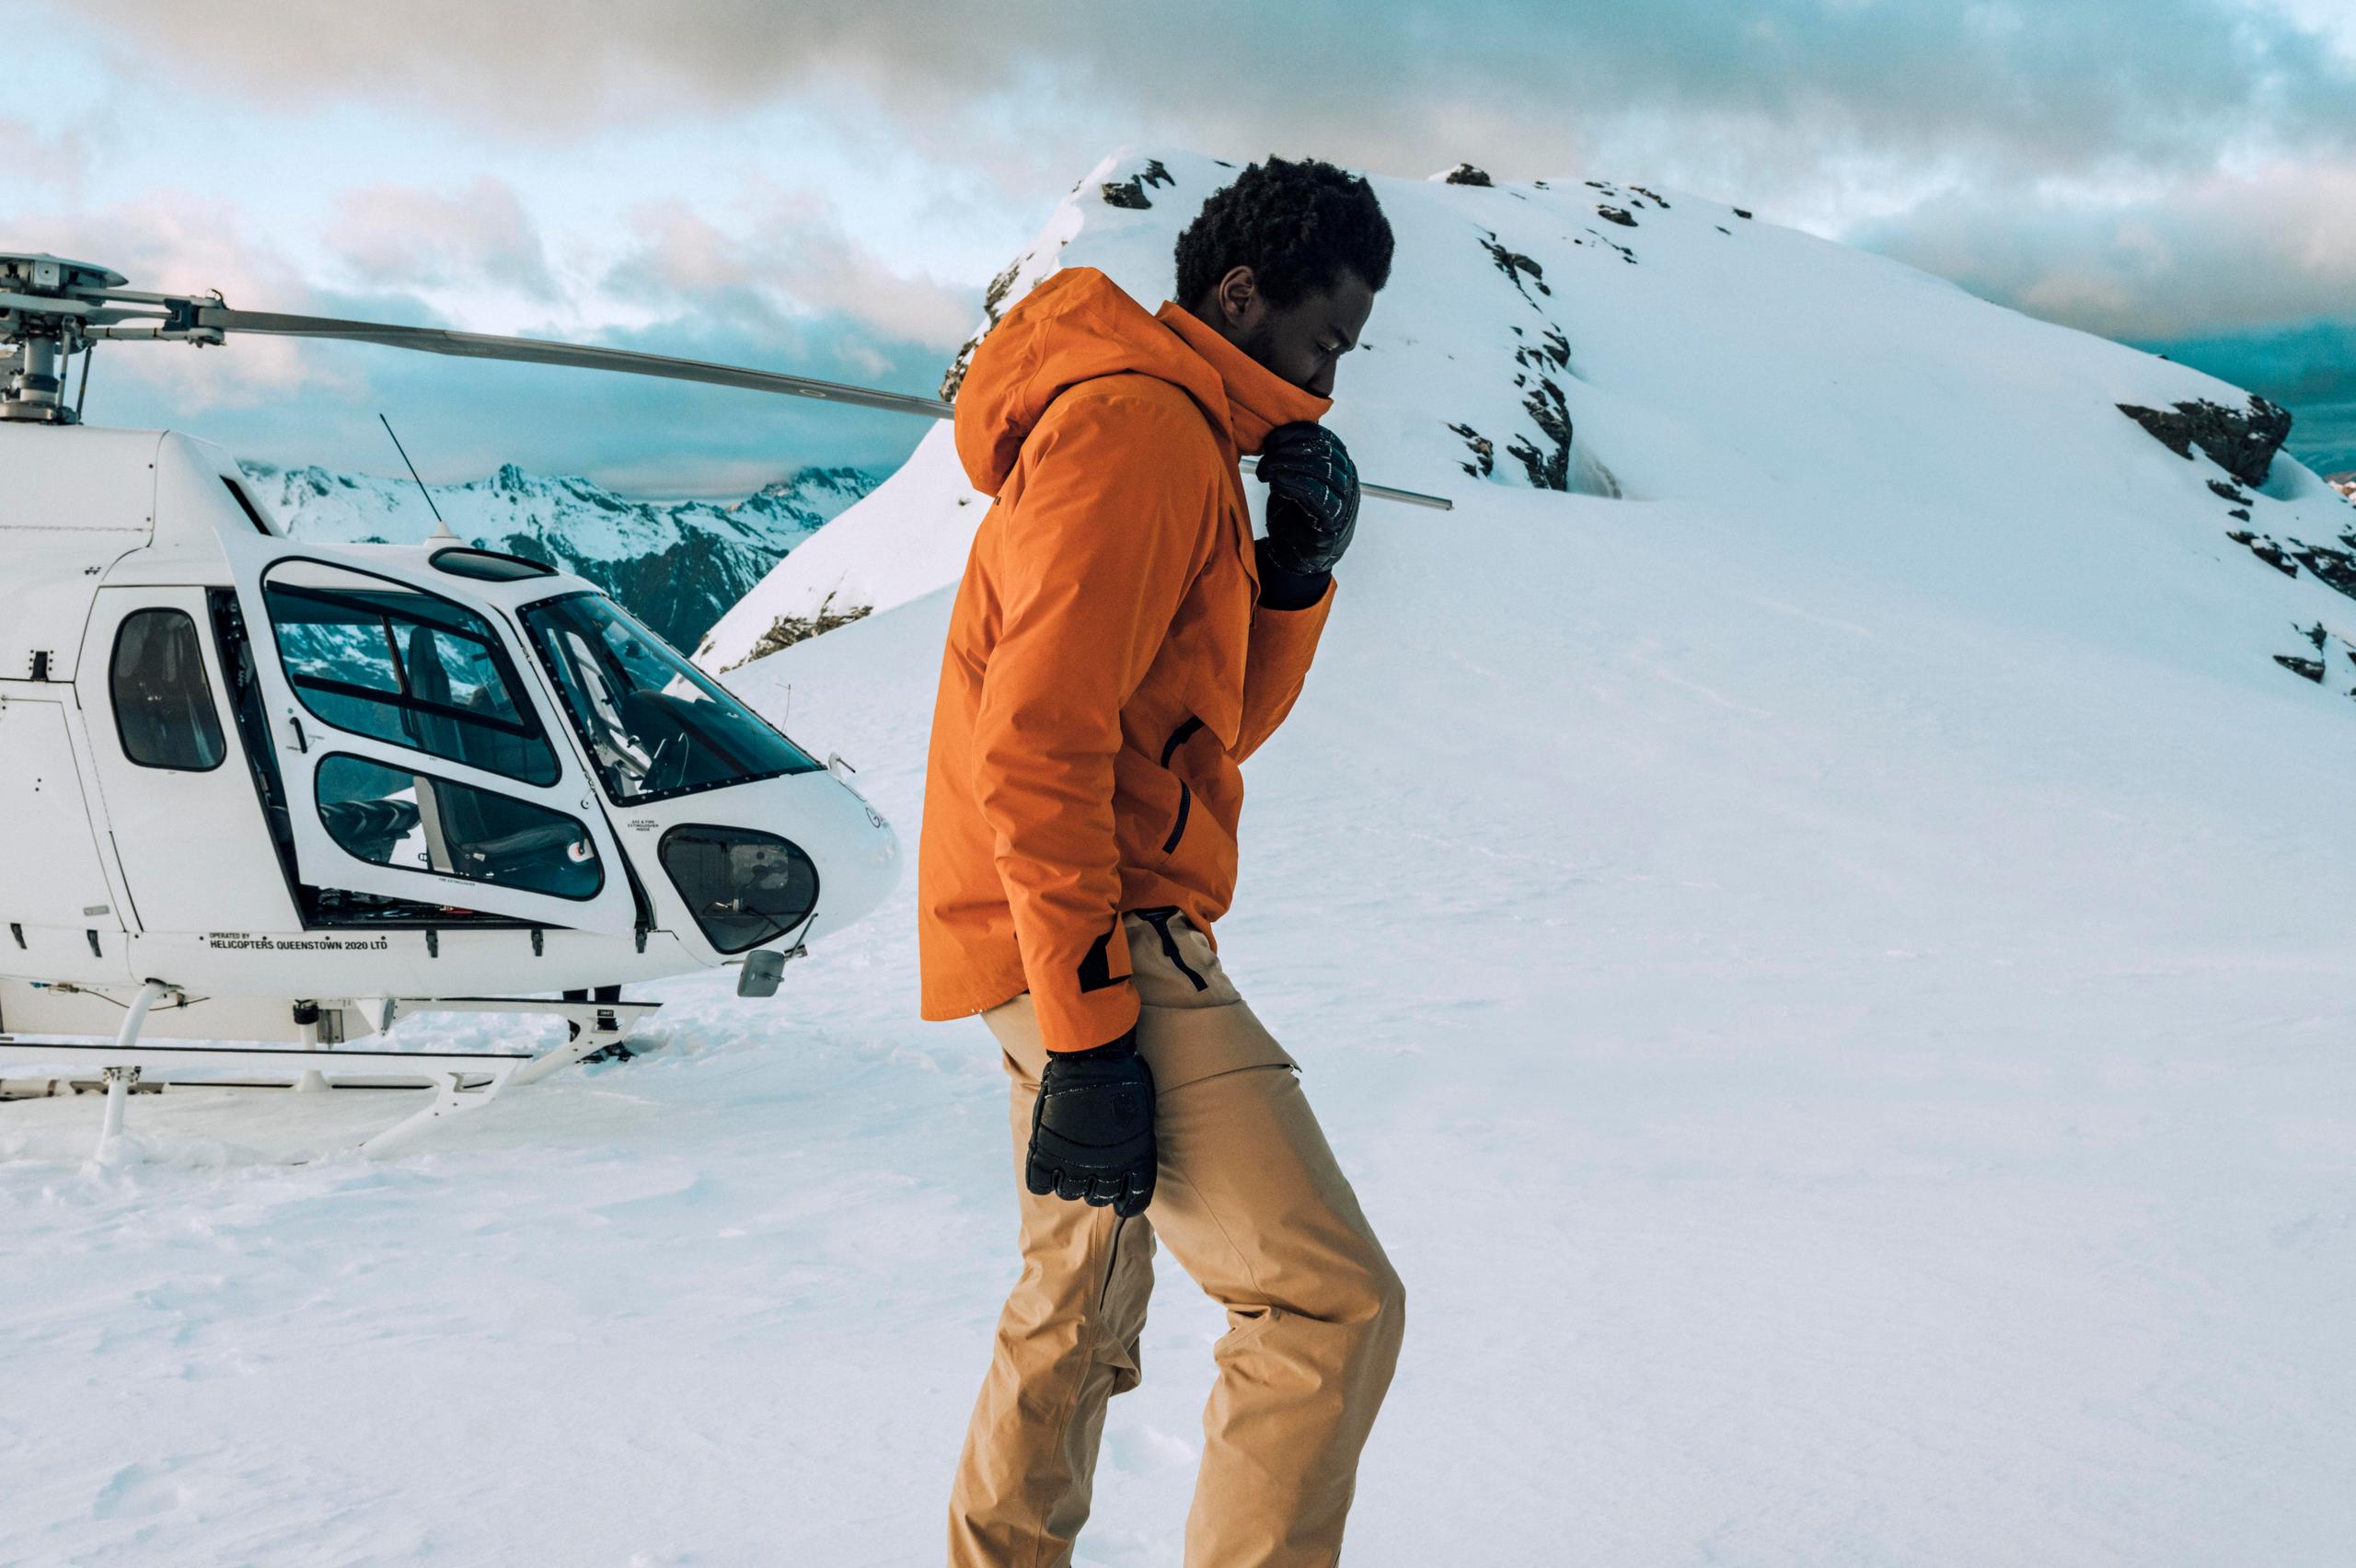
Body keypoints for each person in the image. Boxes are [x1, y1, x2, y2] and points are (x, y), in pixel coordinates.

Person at [919, 156, 1405, 1567]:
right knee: (1325, 1300)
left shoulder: (1175, 433)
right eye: (1323, 342)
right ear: (1241, 296)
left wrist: (1293, 581)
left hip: (1038, 925)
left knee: (1075, 1308)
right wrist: (1089, 1037)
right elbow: (1039, 740)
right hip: (1098, 931)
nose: (1330, 380)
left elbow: (1204, 727)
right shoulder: (1139, 427)